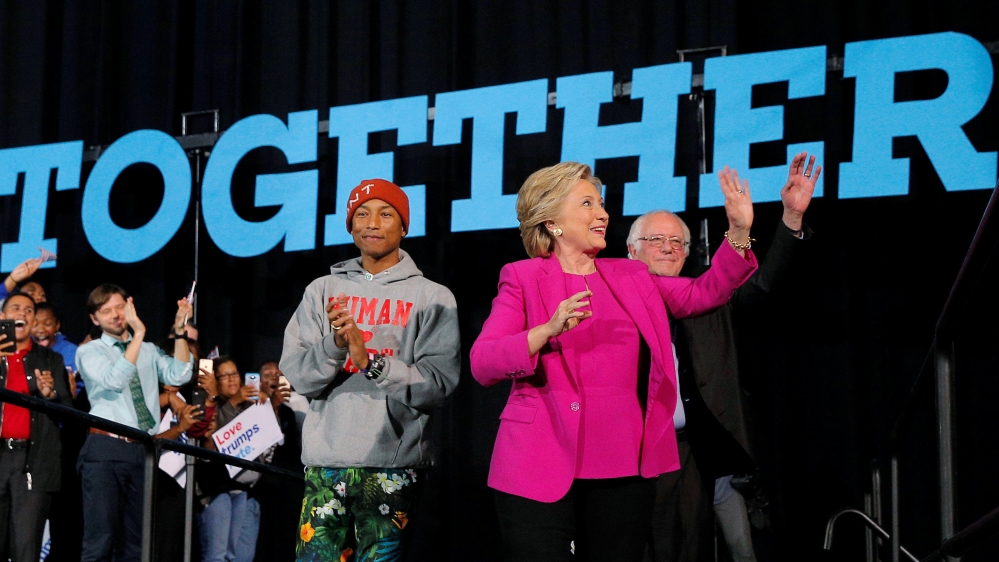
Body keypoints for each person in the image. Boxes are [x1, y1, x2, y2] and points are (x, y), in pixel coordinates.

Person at [469, 162, 758, 562]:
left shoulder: (631, 277)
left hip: (621, 462)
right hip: (536, 459)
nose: (603, 214)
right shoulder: (521, 277)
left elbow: (704, 293)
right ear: (552, 221)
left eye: (601, 204)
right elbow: (484, 362)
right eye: (587, 203)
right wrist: (545, 331)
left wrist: (740, 232)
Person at [628, 153, 820, 562]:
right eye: (656, 240)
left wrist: (789, 219)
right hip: (631, 454)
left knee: (696, 548)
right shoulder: (613, 303)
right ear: (631, 252)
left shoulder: (708, 298)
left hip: (701, 451)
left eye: (676, 242)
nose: (668, 248)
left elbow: (765, 285)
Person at [282, 178, 461, 562]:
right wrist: (336, 344)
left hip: (391, 466)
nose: (371, 223)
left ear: (404, 225)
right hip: (326, 465)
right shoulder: (322, 290)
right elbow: (298, 375)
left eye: (385, 213)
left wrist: (371, 363)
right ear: (350, 226)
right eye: (361, 214)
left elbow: (439, 385)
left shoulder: (432, 297)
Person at [75, 284, 194, 562]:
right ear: (95, 319)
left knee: (137, 543)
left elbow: (180, 375)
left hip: (143, 451)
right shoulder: (90, 351)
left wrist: (179, 332)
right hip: (105, 449)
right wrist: (138, 334)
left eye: (119, 307)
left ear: (130, 306)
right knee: (100, 539)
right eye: (106, 311)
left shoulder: (150, 350)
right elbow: (116, 380)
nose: (115, 315)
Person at [0, 292, 72, 562]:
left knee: (26, 548)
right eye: (15, 308)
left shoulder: (50, 360)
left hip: (33, 463)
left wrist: (49, 395)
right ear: (2, 317)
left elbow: (68, 409)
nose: (23, 314)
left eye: (29, 310)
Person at [189, 356, 268, 562]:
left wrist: (270, 408)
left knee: (238, 556)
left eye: (234, 374)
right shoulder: (211, 403)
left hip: (241, 488)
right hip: (214, 488)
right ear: (215, 379)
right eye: (225, 375)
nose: (232, 379)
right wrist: (233, 401)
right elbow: (218, 435)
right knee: (216, 555)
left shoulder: (249, 405)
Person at [254, 360, 303, 562]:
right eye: (267, 374)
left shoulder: (291, 410)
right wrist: (272, 404)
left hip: (286, 483)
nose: (273, 377)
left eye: (278, 373)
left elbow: (291, 446)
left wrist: (281, 405)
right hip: (258, 484)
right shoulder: (252, 404)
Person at [32, 302, 80, 397]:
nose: (41, 329)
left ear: (57, 325)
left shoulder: (73, 352)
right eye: (35, 324)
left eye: (47, 324)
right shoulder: (24, 349)